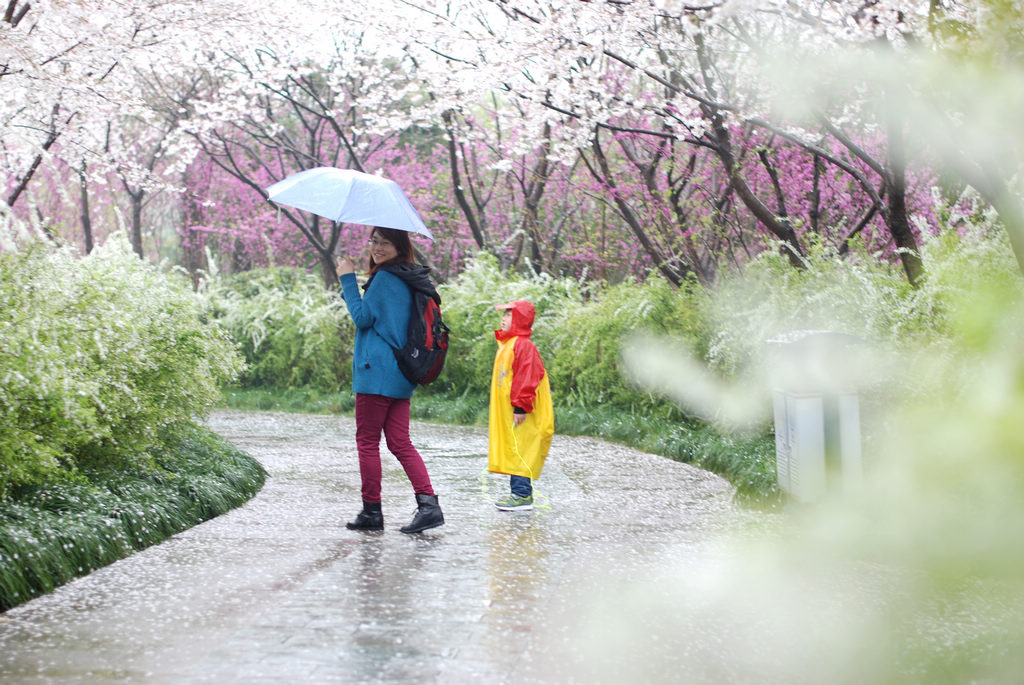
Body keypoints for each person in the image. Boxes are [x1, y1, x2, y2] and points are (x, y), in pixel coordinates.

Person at [334, 226, 444, 534]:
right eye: (374, 241)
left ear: (399, 246)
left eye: (385, 242)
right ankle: (429, 505)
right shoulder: (410, 277)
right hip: (401, 373)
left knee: (367, 442)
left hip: (376, 372)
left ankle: (372, 511)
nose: (377, 247)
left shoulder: (385, 278)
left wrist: (346, 278)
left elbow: (363, 319)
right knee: (400, 442)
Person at [488, 300, 554, 511]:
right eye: (504, 314)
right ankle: (518, 493)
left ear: (520, 320)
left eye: (509, 315)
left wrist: (521, 406)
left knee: (521, 448)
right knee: (515, 447)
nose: (504, 318)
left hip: (522, 410)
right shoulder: (508, 344)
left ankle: (522, 494)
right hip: (513, 410)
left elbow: (527, 377)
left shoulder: (523, 345)